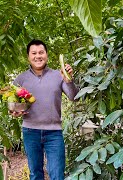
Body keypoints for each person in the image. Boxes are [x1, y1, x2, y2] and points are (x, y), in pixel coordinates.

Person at [11, 39, 79, 180]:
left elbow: (73, 97)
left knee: (57, 175)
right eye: (34, 53)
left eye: (41, 52)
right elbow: (12, 104)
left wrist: (68, 80)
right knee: (35, 174)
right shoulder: (20, 79)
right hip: (30, 132)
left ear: (46, 55)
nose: (38, 56)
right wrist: (14, 112)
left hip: (54, 133)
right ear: (28, 57)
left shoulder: (58, 75)